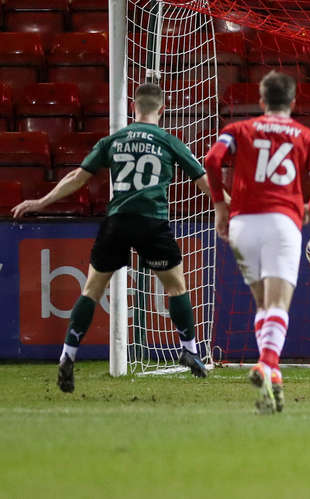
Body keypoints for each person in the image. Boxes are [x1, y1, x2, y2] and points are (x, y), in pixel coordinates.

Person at [11, 83, 212, 392]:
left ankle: (68, 356)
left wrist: (39, 203)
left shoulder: (113, 140)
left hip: (116, 221)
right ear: (161, 109)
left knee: (91, 289)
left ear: (133, 108)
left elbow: (77, 177)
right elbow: (202, 181)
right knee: (176, 287)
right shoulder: (170, 141)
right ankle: (190, 350)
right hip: (152, 222)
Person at [204, 70, 310, 414]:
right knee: (278, 304)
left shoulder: (238, 130)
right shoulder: (307, 136)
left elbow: (212, 160)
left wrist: (220, 204)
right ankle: (266, 362)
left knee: (262, 306)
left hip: (242, 224)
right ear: (293, 102)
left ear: (261, 101)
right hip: (281, 223)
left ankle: (273, 376)